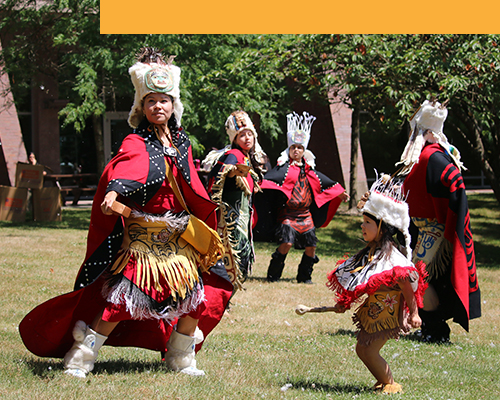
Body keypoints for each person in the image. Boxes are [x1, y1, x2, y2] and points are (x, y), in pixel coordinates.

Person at [19, 47, 233, 378]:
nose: (158, 106)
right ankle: (81, 356)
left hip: (178, 239)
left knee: (194, 300)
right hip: (142, 240)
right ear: (141, 107)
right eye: (151, 101)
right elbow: (124, 170)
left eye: (163, 100)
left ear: (173, 105)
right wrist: (114, 195)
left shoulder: (182, 142)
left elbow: (191, 184)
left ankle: (180, 358)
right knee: (121, 302)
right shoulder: (135, 140)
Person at [326, 174, 427, 394]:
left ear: (381, 227)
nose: (363, 226)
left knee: (369, 351)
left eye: (367, 223)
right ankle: (383, 381)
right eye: (363, 221)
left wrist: (414, 313)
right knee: (362, 349)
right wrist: (344, 303)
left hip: (388, 312)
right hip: (375, 310)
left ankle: (391, 384)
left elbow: (407, 286)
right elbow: (358, 280)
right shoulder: (372, 254)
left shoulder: (393, 260)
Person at [396, 99, 481, 343]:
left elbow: (454, 181)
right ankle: (432, 326)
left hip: (434, 228)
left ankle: (434, 329)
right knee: (422, 278)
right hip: (423, 228)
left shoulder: (432, 157)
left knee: (416, 277)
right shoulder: (425, 156)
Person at [256, 111, 348, 284]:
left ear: (304, 150)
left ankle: (304, 277)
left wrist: (339, 192)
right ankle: (273, 275)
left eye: (299, 148)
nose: (296, 150)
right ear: (289, 149)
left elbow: (324, 183)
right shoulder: (282, 169)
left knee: (311, 247)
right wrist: (256, 186)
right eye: (293, 147)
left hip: (305, 215)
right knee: (286, 244)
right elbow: (268, 180)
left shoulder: (309, 170)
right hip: (288, 214)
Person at [202, 110, 266, 289]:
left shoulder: (246, 157)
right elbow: (218, 177)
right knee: (231, 258)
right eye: (242, 135)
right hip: (232, 221)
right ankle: (222, 298)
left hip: (242, 219)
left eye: (249, 134)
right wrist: (231, 173)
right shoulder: (233, 155)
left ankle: (225, 297)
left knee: (240, 258)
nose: (247, 138)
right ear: (234, 138)